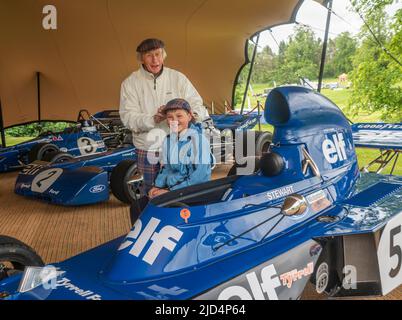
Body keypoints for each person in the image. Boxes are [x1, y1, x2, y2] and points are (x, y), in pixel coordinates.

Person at [119, 38, 208, 193]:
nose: (155, 60)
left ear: (163, 55)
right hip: (148, 148)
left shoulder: (178, 78)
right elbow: (128, 118)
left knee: (181, 192)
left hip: (180, 146)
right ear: (141, 58)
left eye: (158, 54)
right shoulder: (130, 83)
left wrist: (191, 115)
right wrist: (153, 119)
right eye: (149, 56)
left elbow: (197, 104)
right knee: (150, 193)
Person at [149, 98, 212, 198]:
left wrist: (171, 192)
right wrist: (158, 186)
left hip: (193, 193)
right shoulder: (168, 140)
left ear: (189, 116)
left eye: (179, 116)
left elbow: (199, 177)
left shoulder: (199, 141)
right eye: (170, 117)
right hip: (173, 190)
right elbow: (167, 168)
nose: (174, 121)